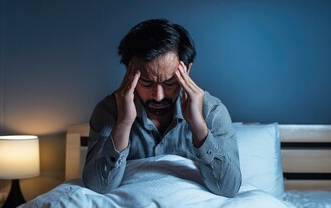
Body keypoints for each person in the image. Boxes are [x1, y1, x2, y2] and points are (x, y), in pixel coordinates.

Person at [83, 19, 241, 197]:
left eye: (169, 82)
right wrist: (123, 124)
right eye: (146, 82)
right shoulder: (108, 111)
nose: (158, 96)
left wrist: (198, 127)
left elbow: (228, 189)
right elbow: (97, 187)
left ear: (186, 71)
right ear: (129, 74)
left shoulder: (212, 112)